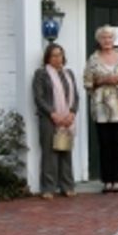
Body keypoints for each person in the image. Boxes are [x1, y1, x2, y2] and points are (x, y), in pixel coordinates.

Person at [84, 25, 118, 194]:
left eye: (109, 37)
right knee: (104, 144)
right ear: (98, 40)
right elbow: (87, 83)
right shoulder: (93, 59)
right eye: (103, 38)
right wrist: (103, 81)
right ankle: (107, 181)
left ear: (114, 40)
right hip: (101, 108)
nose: (107, 40)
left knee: (117, 144)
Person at [33, 42, 79, 199]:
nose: (57, 58)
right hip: (49, 119)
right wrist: (53, 114)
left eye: (59, 55)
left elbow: (76, 96)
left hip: (67, 119)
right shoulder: (41, 74)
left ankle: (67, 186)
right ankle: (48, 188)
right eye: (53, 56)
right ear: (47, 58)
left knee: (66, 151)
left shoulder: (69, 73)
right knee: (50, 153)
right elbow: (39, 97)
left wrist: (72, 113)